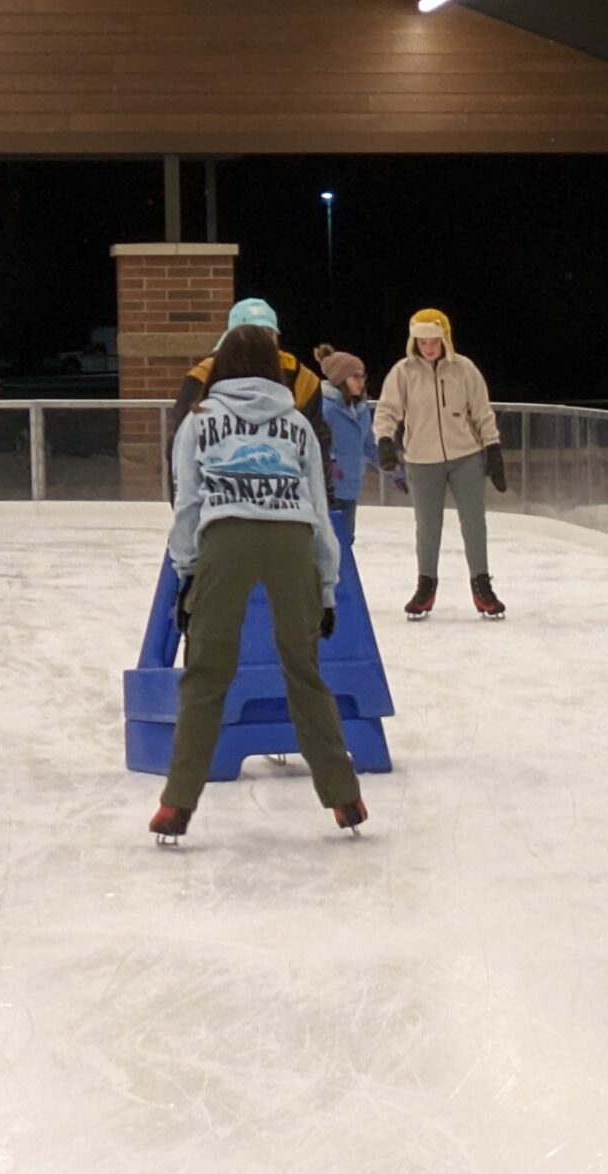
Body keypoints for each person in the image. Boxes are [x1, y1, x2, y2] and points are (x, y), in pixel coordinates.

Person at [150, 324, 366, 844]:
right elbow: (319, 507)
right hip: (293, 542)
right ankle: (344, 797)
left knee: (207, 672)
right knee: (304, 670)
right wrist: (327, 587)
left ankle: (176, 804)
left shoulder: (200, 421)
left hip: (225, 536)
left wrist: (187, 574)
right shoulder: (296, 423)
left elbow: (187, 503)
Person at [374, 308, 507, 620]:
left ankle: (481, 585)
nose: (428, 347)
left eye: (433, 341)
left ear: (445, 339)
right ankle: (425, 586)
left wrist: (493, 448)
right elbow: (387, 410)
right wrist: (384, 439)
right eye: (421, 342)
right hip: (422, 461)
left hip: (466, 458)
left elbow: (482, 411)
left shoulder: (465, 369)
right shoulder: (403, 372)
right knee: (427, 527)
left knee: (474, 523)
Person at [168, 299, 331, 478]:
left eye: (267, 334)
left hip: (278, 494)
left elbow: (316, 447)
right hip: (228, 493)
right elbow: (182, 446)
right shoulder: (203, 375)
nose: (258, 343)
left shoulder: (302, 379)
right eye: (252, 334)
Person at [313, 345, 376, 545]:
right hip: (328, 490)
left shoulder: (362, 410)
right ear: (340, 379)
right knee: (328, 543)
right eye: (355, 377)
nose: (361, 382)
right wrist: (330, 461)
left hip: (351, 488)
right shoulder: (325, 407)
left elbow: (369, 445)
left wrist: (393, 468)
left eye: (362, 376)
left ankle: (341, 577)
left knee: (346, 540)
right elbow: (316, 441)